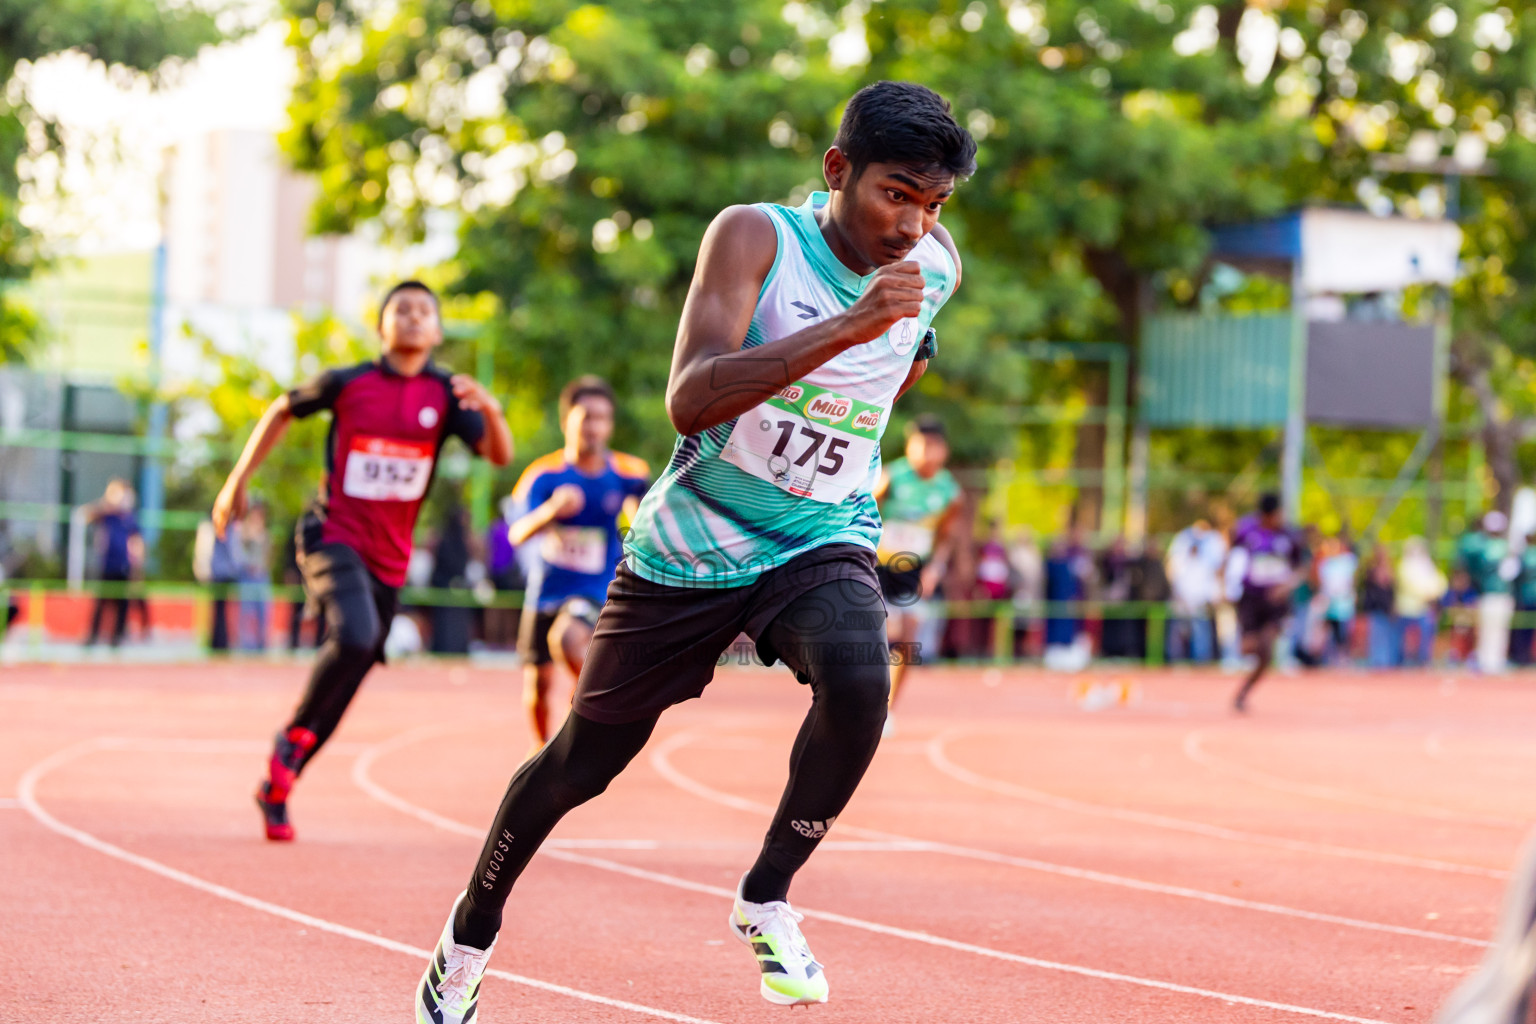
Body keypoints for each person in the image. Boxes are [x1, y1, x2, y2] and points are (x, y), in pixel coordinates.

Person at [415, 81, 974, 1023]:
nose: (914, 225)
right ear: (838, 170)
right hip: (693, 546)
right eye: (896, 193)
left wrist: (879, 372)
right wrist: (850, 325)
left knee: (862, 675)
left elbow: (900, 366)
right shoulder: (755, 238)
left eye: (934, 204)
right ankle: (470, 931)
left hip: (820, 532)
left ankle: (767, 896)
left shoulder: (939, 267)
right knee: (581, 765)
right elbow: (690, 399)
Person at [212, 280, 512, 842]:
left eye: (425, 311)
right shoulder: (349, 383)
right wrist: (237, 481)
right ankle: (289, 743)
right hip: (334, 533)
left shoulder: (447, 394)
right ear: (382, 326)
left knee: (355, 662)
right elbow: (281, 408)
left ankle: (280, 779)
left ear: (438, 330)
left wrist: (492, 409)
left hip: (390, 558)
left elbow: (498, 453)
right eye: (402, 309)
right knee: (354, 636)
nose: (414, 318)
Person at [510, 376, 649, 752]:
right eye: (586, 417)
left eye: (603, 418)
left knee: (568, 638)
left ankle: (599, 710)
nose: (594, 427)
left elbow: (647, 520)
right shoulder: (543, 474)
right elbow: (516, 534)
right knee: (537, 684)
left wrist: (638, 523)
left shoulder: (628, 472)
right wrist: (551, 511)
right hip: (545, 590)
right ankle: (540, 750)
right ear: (566, 420)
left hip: (595, 587)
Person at [873, 414, 962, 726]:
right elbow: (865, 512)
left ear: (943, 450)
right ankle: (862, 702)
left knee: (907, 643)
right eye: (918, 444)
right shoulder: (891, 478)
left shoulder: (949, 492)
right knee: (879, 636)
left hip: (913, 572)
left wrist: (935, 568)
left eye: (931, 446)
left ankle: (888, 712)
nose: (924, 452)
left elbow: (946, 537)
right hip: (876, 567)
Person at [1228, 493, 1305, 712]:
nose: (1281, 518)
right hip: (1251, 599)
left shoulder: (1289, 536)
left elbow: (1300, 568)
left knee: (1267, 651)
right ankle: (1249, 652)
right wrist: (1225, 584)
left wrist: (1286, 585)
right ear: (1266, 515)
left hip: (1276, 602)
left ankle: (1243, 693)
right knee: (1250, 647)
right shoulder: (1245, 530)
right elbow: (1230, 555)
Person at [83, 479, 143, 648]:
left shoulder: (130, 517)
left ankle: (117, 637)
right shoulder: (107, 514)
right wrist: (107, 502)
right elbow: (86, 514)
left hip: (124, 566)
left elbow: (136, 541)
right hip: (107, 564)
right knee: (100, 602)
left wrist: (137, 566)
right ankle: (93, 636)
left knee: (123, 604)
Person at [1460, 511, 1516, 673]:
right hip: (1499, 593)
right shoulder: (1503, 548)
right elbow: (1510, 572)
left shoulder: (1480, 546)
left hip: (1488, 593)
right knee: (1498, 630)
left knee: (1488, 629)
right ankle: (1494, 661)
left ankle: (1487, 661)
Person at [1165, 518, 1226, 663]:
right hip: (1183, 595)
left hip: (1200, 597)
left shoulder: (1211, 544)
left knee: (1200, 631)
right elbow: (1172, 567)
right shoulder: (1183, 542)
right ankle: (1177, 660)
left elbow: (1217, 569)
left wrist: (1215, 592)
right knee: (1180, 631)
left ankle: (1200, 662)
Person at [1395, 536, 1446, 667]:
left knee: (1426, 634)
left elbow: (1439, 582)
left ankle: (1423, 660)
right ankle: (1402, 660)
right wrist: (1427, 594)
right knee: (1403, 637)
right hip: (1407, 608)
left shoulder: (1427, 565)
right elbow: (1410, 585)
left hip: (1423, 608)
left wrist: (1433, 594)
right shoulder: (1404, 565)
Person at [1316, 535, 1360, 664]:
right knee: (1331, 631)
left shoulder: (1347, 561)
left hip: (1344, 603)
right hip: (1330, 603)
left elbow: (1352, 578)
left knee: (1344, 631)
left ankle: (1343, 656)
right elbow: (1323, 583)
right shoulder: (1326, 564)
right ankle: (1330, 657)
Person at [1359, 543, 1397, 668]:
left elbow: (1392, 590)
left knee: (1386, 635)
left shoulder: (1390, 570)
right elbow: (1366, 586)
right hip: (1375, 607)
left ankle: (1386, 661)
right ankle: (1376, 661)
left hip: (1386, 608)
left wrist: (1392, 607)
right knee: (1376, 634)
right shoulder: (1371, 570)